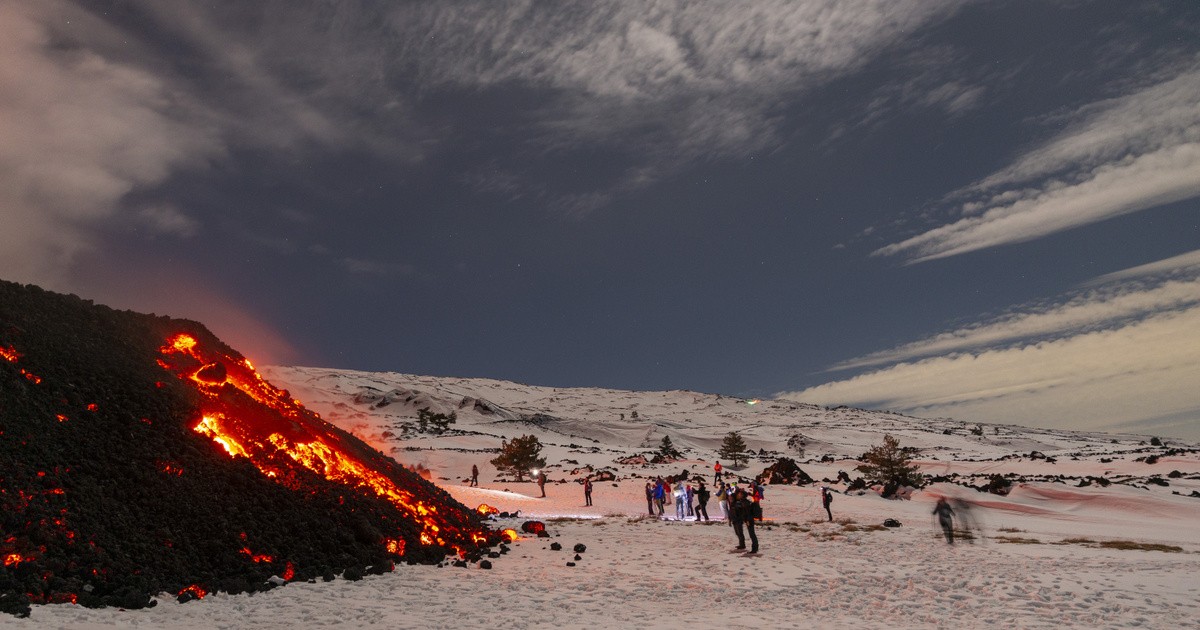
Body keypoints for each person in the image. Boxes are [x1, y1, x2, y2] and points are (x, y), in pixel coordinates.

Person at [729, 488, 758, 554]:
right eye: (738, 494)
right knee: (750, 534)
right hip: (747, 520)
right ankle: (749, 547)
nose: (739, 496)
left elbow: (746, 512)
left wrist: (746, 519)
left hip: (749, 520)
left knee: (752, 534)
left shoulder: (745, 502)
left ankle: (754, 548)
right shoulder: (742, 502)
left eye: (740, 494)